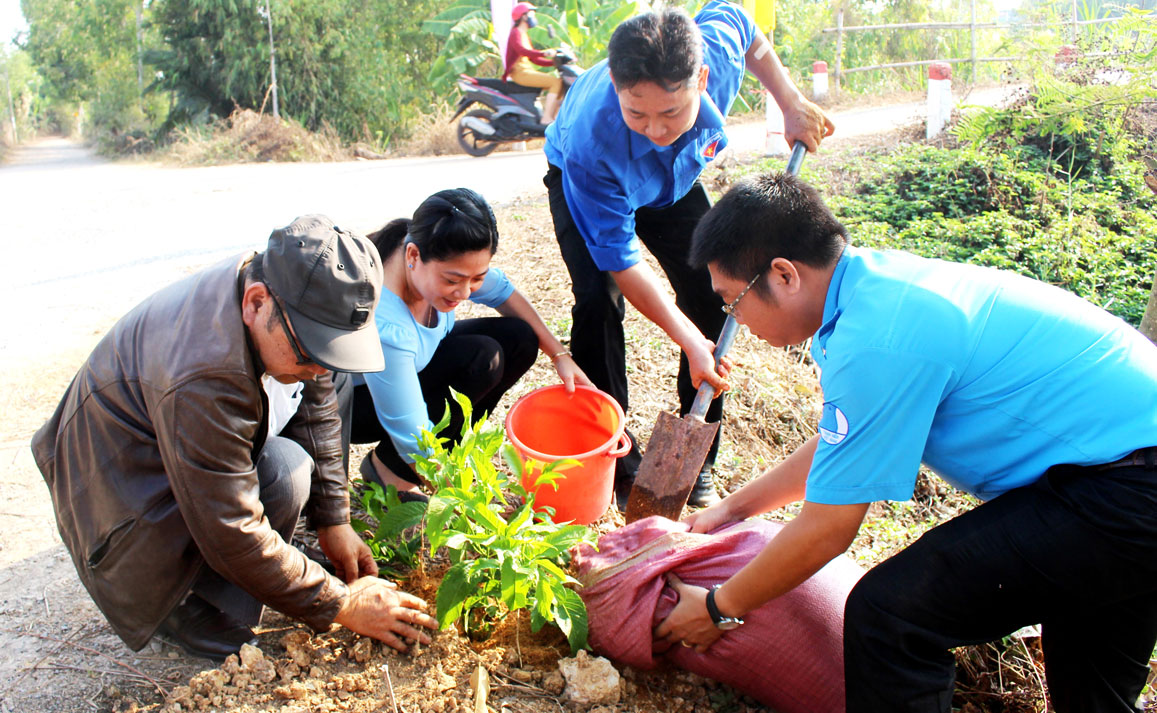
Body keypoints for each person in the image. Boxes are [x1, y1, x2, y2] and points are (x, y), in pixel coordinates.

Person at [653, 173, 1157, 712]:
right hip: (1121, 479)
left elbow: (827, 530)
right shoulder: (871, 292)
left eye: (734, 300)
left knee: (892, 617)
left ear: (784, 274)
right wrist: (732, 508)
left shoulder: (879, 337)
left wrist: (718, 608)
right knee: (1091, 688)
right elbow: (846, 442)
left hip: (1124, 491)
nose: (734, 319)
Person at [32, 215, 439, 661]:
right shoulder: (203, 376)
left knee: (301, 441)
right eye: (311, 352)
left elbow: (318, 397)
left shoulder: (283, 292)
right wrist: (340, 604)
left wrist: (334, 519)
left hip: (168, 453)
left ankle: (237, 584)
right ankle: (183, 606)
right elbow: (231, 526)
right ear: (255, 303)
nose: (318, 368)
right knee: (284, 474)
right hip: (120, 503)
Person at [543, 1, 835, 509]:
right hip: (592, 181)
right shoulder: (593, 145)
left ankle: (693, 462)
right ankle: (614, 461)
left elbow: (747, 30)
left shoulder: (714, 53)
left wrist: (790, 101)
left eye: (671, 112)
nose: (656, 129)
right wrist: (688, 340)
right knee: (597, 302)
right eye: (638, 112)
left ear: (702, 79)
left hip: (672, 184)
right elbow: (623, 262)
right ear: (615, 84)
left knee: (714, 292)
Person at [345, 188, 590, 499]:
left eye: (476, 278)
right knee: (481, 358)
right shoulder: (387, 322)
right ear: (413, 257)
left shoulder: (432, 252)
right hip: (356, 406)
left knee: (520, 338)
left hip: (411, 370)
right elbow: (409, 429)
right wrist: (460, 499)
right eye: (452, 280)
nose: (464, 292)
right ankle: (393, 476)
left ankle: (402, 464)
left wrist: (559, 354)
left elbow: (503, 292)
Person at [503, 2, 562, 125]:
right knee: (555, 82)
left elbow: (534, 60)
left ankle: (553, 117)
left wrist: (555, 63)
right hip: (520, 73)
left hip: (527, 71)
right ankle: (546, 118)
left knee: (560, 84)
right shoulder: (515, 33)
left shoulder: (523, 34)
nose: (534, 17)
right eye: (531, 13)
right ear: (524, 16)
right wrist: (543, 53)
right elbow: (523, 51)